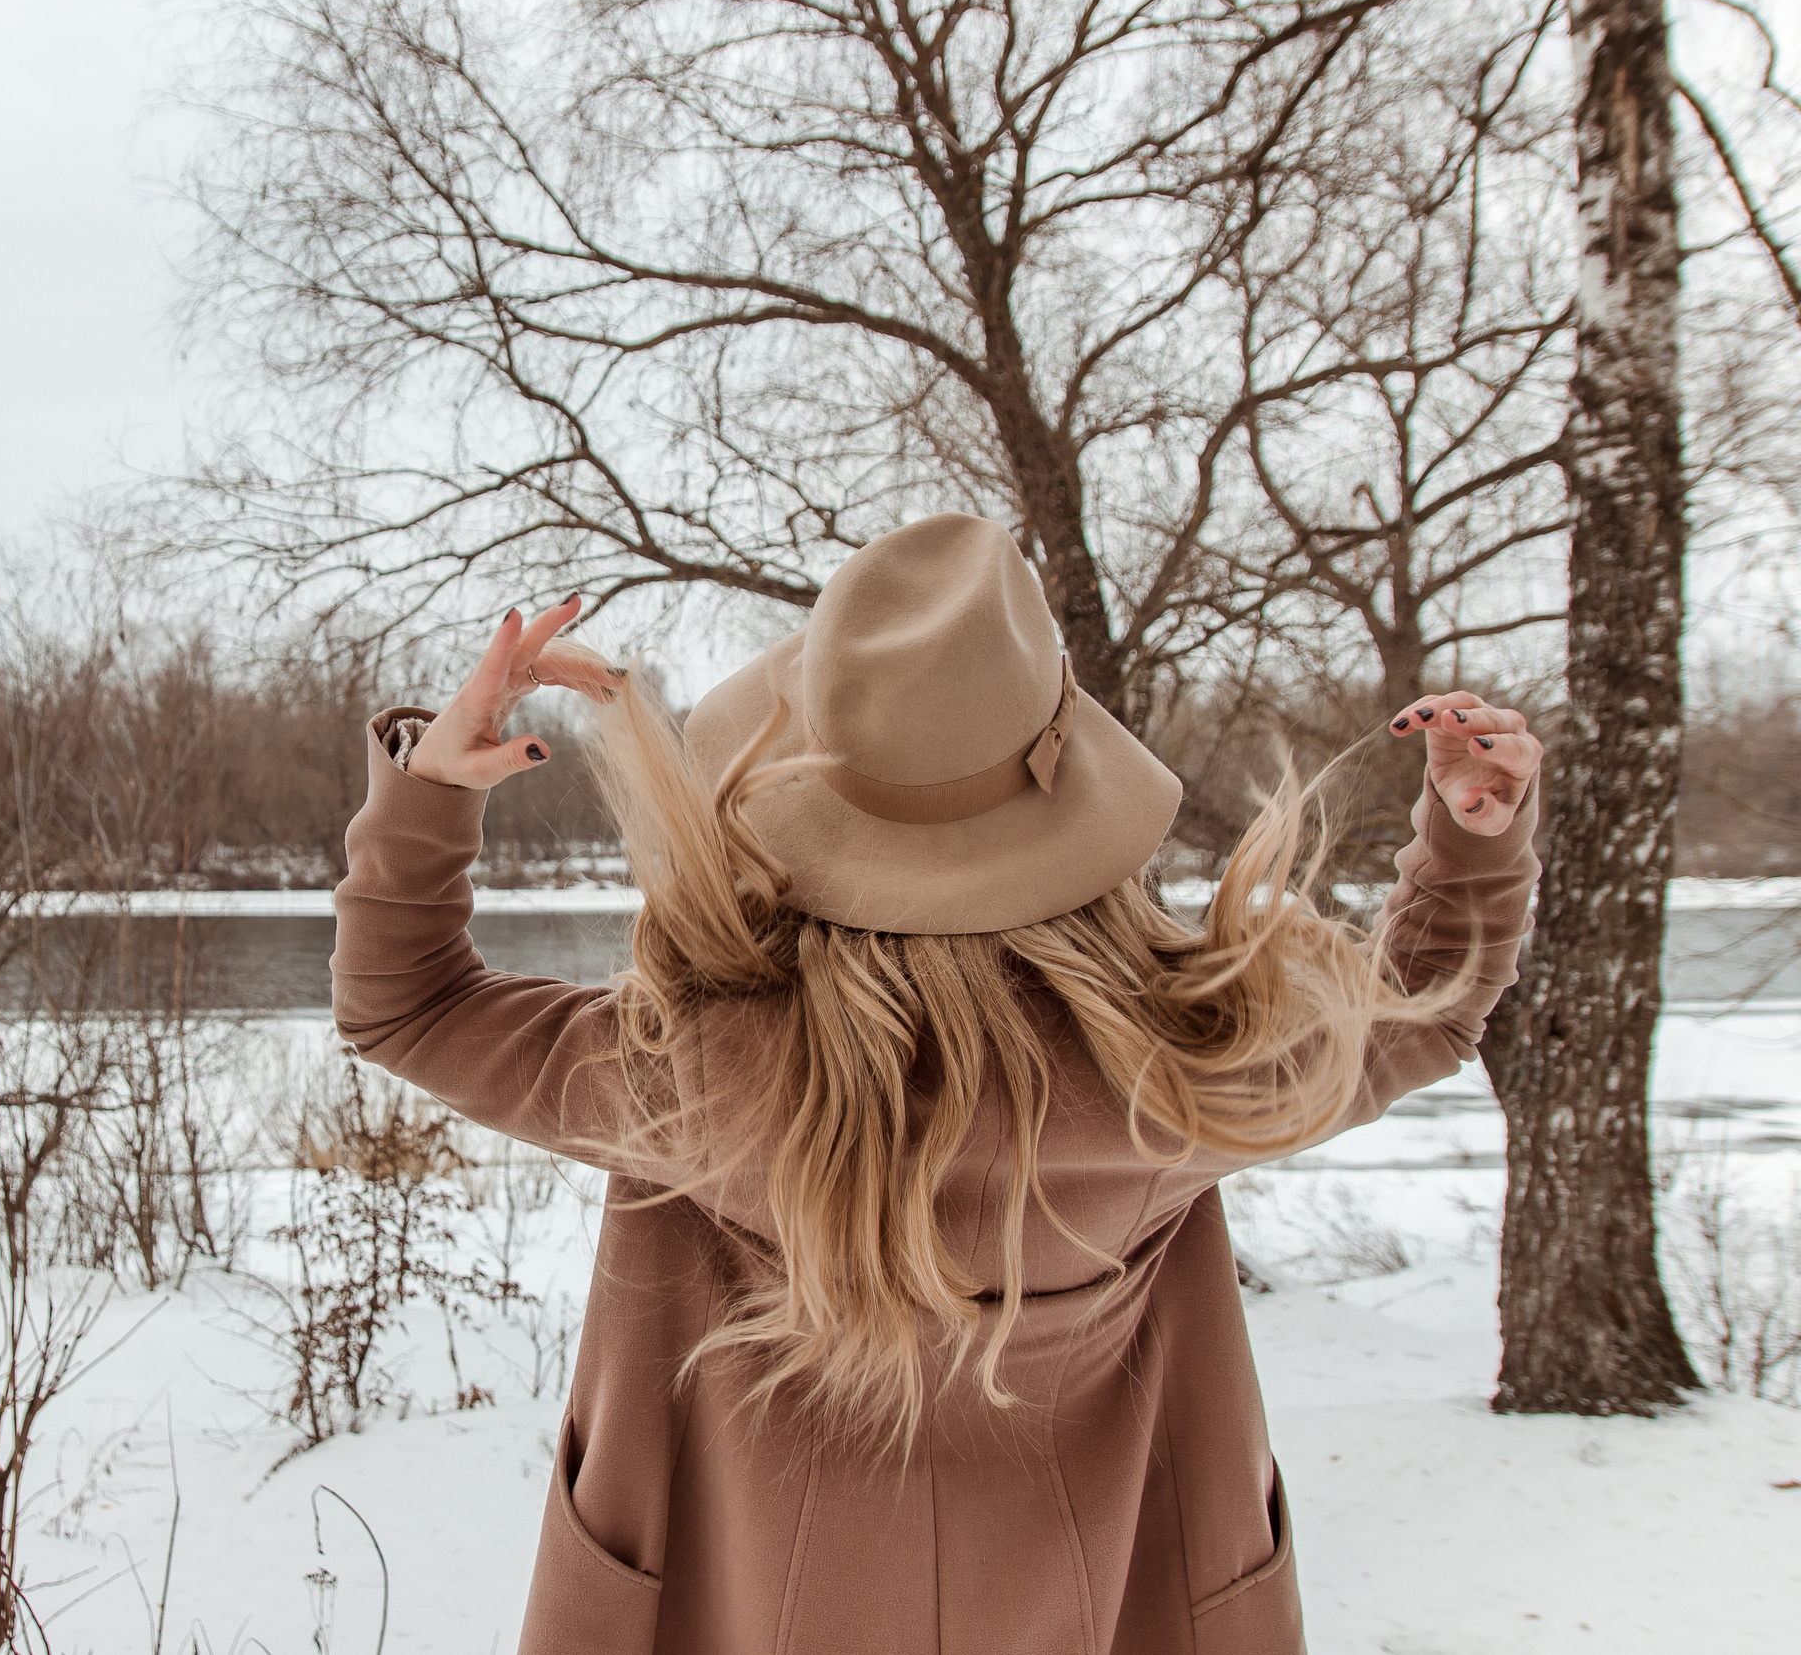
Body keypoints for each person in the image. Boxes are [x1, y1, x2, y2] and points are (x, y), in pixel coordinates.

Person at [330, 515, 1540, 1655]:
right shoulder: (1181, 1079)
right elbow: (1428, 1010)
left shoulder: (693, 1078)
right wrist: (1470, 846)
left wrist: (432, 794)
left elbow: (405, 1004)